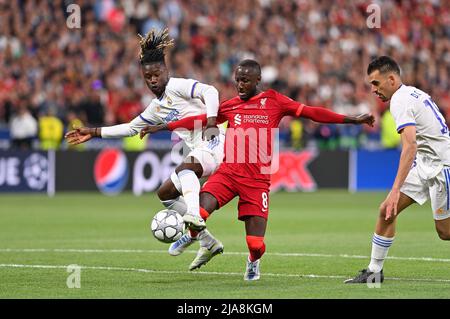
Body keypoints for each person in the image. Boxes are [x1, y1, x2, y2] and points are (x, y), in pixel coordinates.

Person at [140, 59, 375, 279]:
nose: (240, 85)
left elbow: (313, 113)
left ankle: (253, 261)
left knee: (255, 244)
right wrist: (164, 126)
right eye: (237, 80)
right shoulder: (230, 106)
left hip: (257, 182)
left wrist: (352, 120)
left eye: (245, 80)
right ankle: (191, 236)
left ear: (257, 80)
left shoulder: (275, 101)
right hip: (228, 174)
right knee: (198, 213)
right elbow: (200, 119)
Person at [64, 28, 225, 259]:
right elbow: (131, 128)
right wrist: (94, 132)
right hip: (200, 151)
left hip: (215, 142)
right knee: (165, 193)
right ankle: (207, 241)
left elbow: (210, 91)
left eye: (156, 74)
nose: (152, 80)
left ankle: (193, 217)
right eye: (148, 77)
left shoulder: (177, 86)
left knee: (185, 168)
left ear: (165, 70)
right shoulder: (156, 108)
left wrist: (210, 121)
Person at [345, 56, 450, 284]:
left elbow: (410, 146)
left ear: (391, 79)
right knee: (387, 211)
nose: (373, 90)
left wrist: (395, 189)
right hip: (425, 163)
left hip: (442, 166)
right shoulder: (410, 93)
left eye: (375, 83)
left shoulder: (400, 100)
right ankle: (374, 272)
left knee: (445, 232)